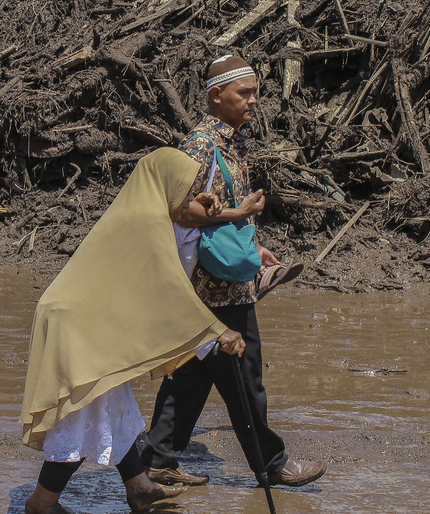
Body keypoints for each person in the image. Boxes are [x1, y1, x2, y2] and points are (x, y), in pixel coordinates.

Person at [21, 148, 242, 514]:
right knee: (79, 417)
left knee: (113, 407)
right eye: (185, 191)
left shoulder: (146, 209)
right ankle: (42, 503)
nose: (190, 200)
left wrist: (203, 201)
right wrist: (217, 333)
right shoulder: (146, 220)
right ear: (166, 185)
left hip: (83, 321)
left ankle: (139, 487)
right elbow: (168, 290)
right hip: (76, 326)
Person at [139, 54, 323, 488]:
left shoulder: (231, 143)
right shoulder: (200, 146)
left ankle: (158, 460)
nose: (254, 101)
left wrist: (253, 246)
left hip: (224, 279)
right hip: (214, 288)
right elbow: (178, 211)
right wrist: (239, 212)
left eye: (256, 92)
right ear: (216, 95)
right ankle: (272, 464)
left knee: (190, 373)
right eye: (245, 93)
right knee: (245, 375)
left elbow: (218, 214)